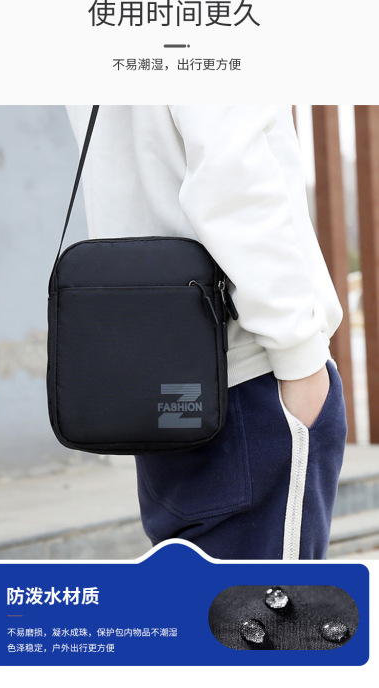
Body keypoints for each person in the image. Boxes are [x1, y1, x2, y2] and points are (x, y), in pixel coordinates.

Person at [66, 105, 347, 560]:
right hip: (251, 379)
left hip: (159, 382)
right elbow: (232, 175)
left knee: (198, 595)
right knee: (265, 603)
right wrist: (300, 357)